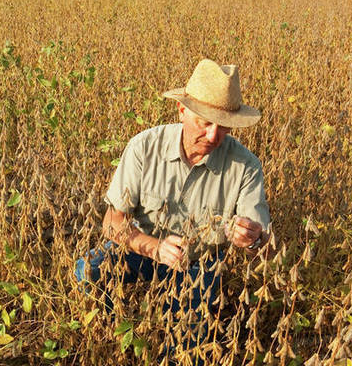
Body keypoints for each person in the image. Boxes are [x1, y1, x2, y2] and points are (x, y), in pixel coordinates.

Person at [75, 58, 272, 341]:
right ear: (182, 110)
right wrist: (155, 249)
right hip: (140, 247)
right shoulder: (144, 147)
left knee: (187, 339)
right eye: (204, 123)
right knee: (86, 271)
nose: (214, 136)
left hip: (199, 262)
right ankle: (111, 337)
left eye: (224, 127)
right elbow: (112, 222)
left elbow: (264, 245)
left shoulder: (246, 166)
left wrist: (251, 239)